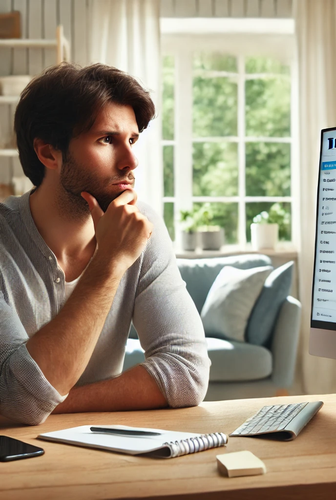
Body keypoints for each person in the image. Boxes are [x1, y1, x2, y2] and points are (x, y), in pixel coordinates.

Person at [0, 63, 210, 425]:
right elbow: (16, 399)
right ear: (49, 153)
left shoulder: (143, 227)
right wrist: (109, 263)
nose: (131, 161)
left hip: (99, 452)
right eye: (107, 140)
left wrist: (51, 404)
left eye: (131, 140)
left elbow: (187, 372)